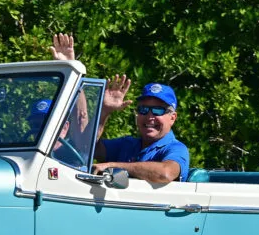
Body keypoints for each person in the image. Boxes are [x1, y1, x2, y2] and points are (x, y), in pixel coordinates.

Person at [49, 33, 189, 184]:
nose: (149, 116)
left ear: (172, 117)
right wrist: (104, 111)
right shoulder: (127, 144)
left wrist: (113, 165)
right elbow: (86, 147)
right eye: (143, 110)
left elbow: (165, 174)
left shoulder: (176, 149)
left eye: (158, 111)